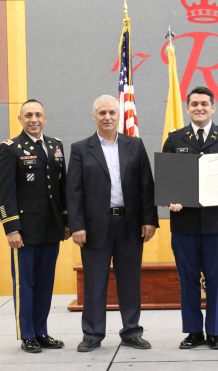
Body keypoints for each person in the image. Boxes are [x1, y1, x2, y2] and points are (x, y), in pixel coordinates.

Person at [67, 95, 158, 352]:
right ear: (94, 117)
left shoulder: (135, 145)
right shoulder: (80, 148)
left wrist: (149, 220)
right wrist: (77, 226)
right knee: (94, 282)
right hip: (95, 226)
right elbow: (73, 191)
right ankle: (93, 335)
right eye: (102, 113)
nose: (107, 117)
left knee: (129, 281)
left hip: (130, 225)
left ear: (119, 116)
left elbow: (146, 186)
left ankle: (131, 331)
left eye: (112, 112)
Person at [162, 86, 218, 350]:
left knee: (217, 279)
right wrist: (170, 199)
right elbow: (167, 181)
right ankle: (194, 331)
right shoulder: (174, 140)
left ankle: (215, 332)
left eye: (204, 104)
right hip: (184, 223)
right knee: (188, 280)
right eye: (194, 104)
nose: (199, 108)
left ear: (213, 107)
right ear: (187, 108)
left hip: (217, 223)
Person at [0, 99, 69, 353]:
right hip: (25, 230)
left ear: (45, 118)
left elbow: (62, 188)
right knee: (25, 283)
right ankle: (27, 334)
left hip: (52, 228)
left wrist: (67, 220)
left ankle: (41, 331)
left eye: (38, 115)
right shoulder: (10, 148)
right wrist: (11, 228)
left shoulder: (55, 146)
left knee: (46, 282)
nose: (34, 119)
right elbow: (3, 192)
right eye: (28, 115)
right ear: (20, 119)